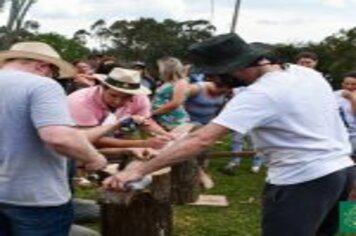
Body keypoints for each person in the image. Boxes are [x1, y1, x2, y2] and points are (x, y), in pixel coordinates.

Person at [104, 33, 356, 236]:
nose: (211, 78)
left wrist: (137, 170)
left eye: (214, 72)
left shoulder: (260, 94)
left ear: (235, 67)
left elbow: (201, 140)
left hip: (302, 180)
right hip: (343, 172)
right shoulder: (306, 74)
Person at [0, 42, 107, 236]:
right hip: (35, 199)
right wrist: (94, 158)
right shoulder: (42, 85)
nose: (54, 78)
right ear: (42, 66)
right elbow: (59, 137)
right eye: (54, 73)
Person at [67, 67, 169, 149]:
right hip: (73, 143)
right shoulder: (81, 102)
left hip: (107, 137)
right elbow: (89, 139)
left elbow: (146, 121)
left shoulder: (140, 98)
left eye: (126, 97)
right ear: (103, 87)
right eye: (113, 95)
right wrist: (143, 143)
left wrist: (165, 136)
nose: (118, 101)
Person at [151, 57, 190, 130]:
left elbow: (175, 103)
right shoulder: (168, 82)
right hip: (162, 119)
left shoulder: (181, 82)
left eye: (160, 68)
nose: (159, 70)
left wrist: (154, 113)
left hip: (174, 120)